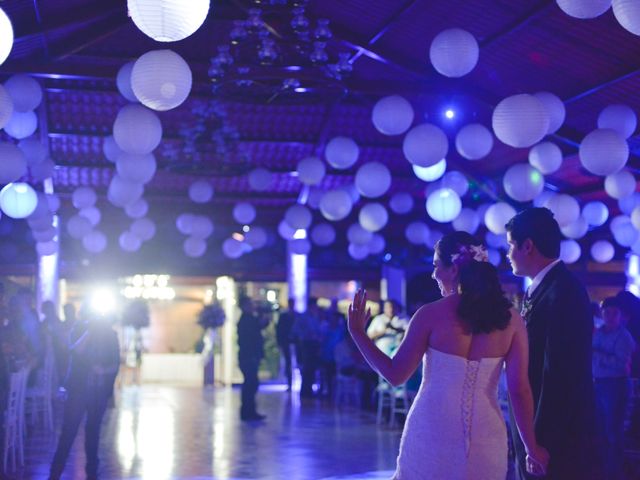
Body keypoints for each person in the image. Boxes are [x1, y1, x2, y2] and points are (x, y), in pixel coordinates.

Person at [348, 231, 548, 479]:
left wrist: (358, 333)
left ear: (453, 269)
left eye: (435, 266)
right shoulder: (512, 320)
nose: (433, 274)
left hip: (432, 429)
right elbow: (519, 390)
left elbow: (395, 374)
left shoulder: (429, 315)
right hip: (486, 436)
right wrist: (531, 447)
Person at [505, 207, 602, 479]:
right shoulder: (544, 289)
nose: (507, 253)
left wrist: (537, 443)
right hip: (534, 432)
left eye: (510, 245)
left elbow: (560, 375)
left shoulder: (563, 292)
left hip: (552, 440)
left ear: (528, 246)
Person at [48, 301, 120, 480]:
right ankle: (54, 474)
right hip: (78, 388)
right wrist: (90, 331)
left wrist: (102, 370)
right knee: (69, 432)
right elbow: (75, 351)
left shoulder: (111, 335)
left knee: (93, 433)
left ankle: (92, 474)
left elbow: (115, 364)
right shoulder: (78, 329)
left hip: (98, 390)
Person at [593, 296, 636, 480]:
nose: (610, 316)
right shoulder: (598, 332)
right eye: (607, 312)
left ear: (621, 316)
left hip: (615, 385)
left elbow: (621, 364)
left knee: (613, 431)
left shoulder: (624, 337)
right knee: (601, 430)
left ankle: (613, 473)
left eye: (614, 313)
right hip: (599, 383)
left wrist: (597, 355)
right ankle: (603, 469)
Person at [237, 296, 268, 421]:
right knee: (250, 384)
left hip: (249, 356)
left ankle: (249, 411)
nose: (252, 306)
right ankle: (248, 412)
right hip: (248, 356)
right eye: (250, 304)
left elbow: (261, 326)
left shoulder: (248, 319)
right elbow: (256, 331)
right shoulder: (246, 320)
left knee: (251, 384)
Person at [276, 298, 296, 391]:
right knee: (288, 363)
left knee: (296, 363)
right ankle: (290, 383)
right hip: (287, 342)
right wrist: (280, 342)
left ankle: (292, 383)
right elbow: (279, 330)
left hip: (295, 343)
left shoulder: (296, 316)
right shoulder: (284, 316)